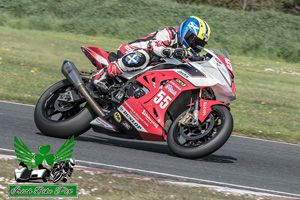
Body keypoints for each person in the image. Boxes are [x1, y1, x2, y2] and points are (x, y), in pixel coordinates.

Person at [93, 16, 211, 93]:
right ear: (186, 32)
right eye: (193, 41)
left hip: (150, 66)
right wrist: (171, 51)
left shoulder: (187, 51)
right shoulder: (170, 33)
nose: (194, 45)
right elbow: (154, 46)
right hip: (131, 51)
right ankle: (101, 76)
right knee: (144, 55)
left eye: (199, 44)